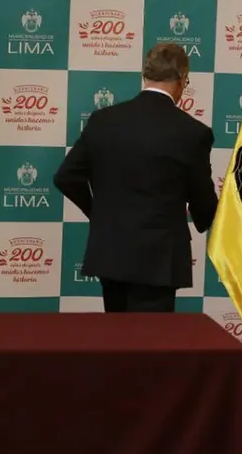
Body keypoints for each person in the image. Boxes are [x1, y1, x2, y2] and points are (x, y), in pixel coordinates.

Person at [53, 43, 218, 313]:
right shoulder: (192, 133)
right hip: (159, 260)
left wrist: (98, 213)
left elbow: (65, 177)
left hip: (110, 252)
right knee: (151, 340)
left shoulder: (103, 120)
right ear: (182, 79)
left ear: (145, 74)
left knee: (117, 337)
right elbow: (204, 205)